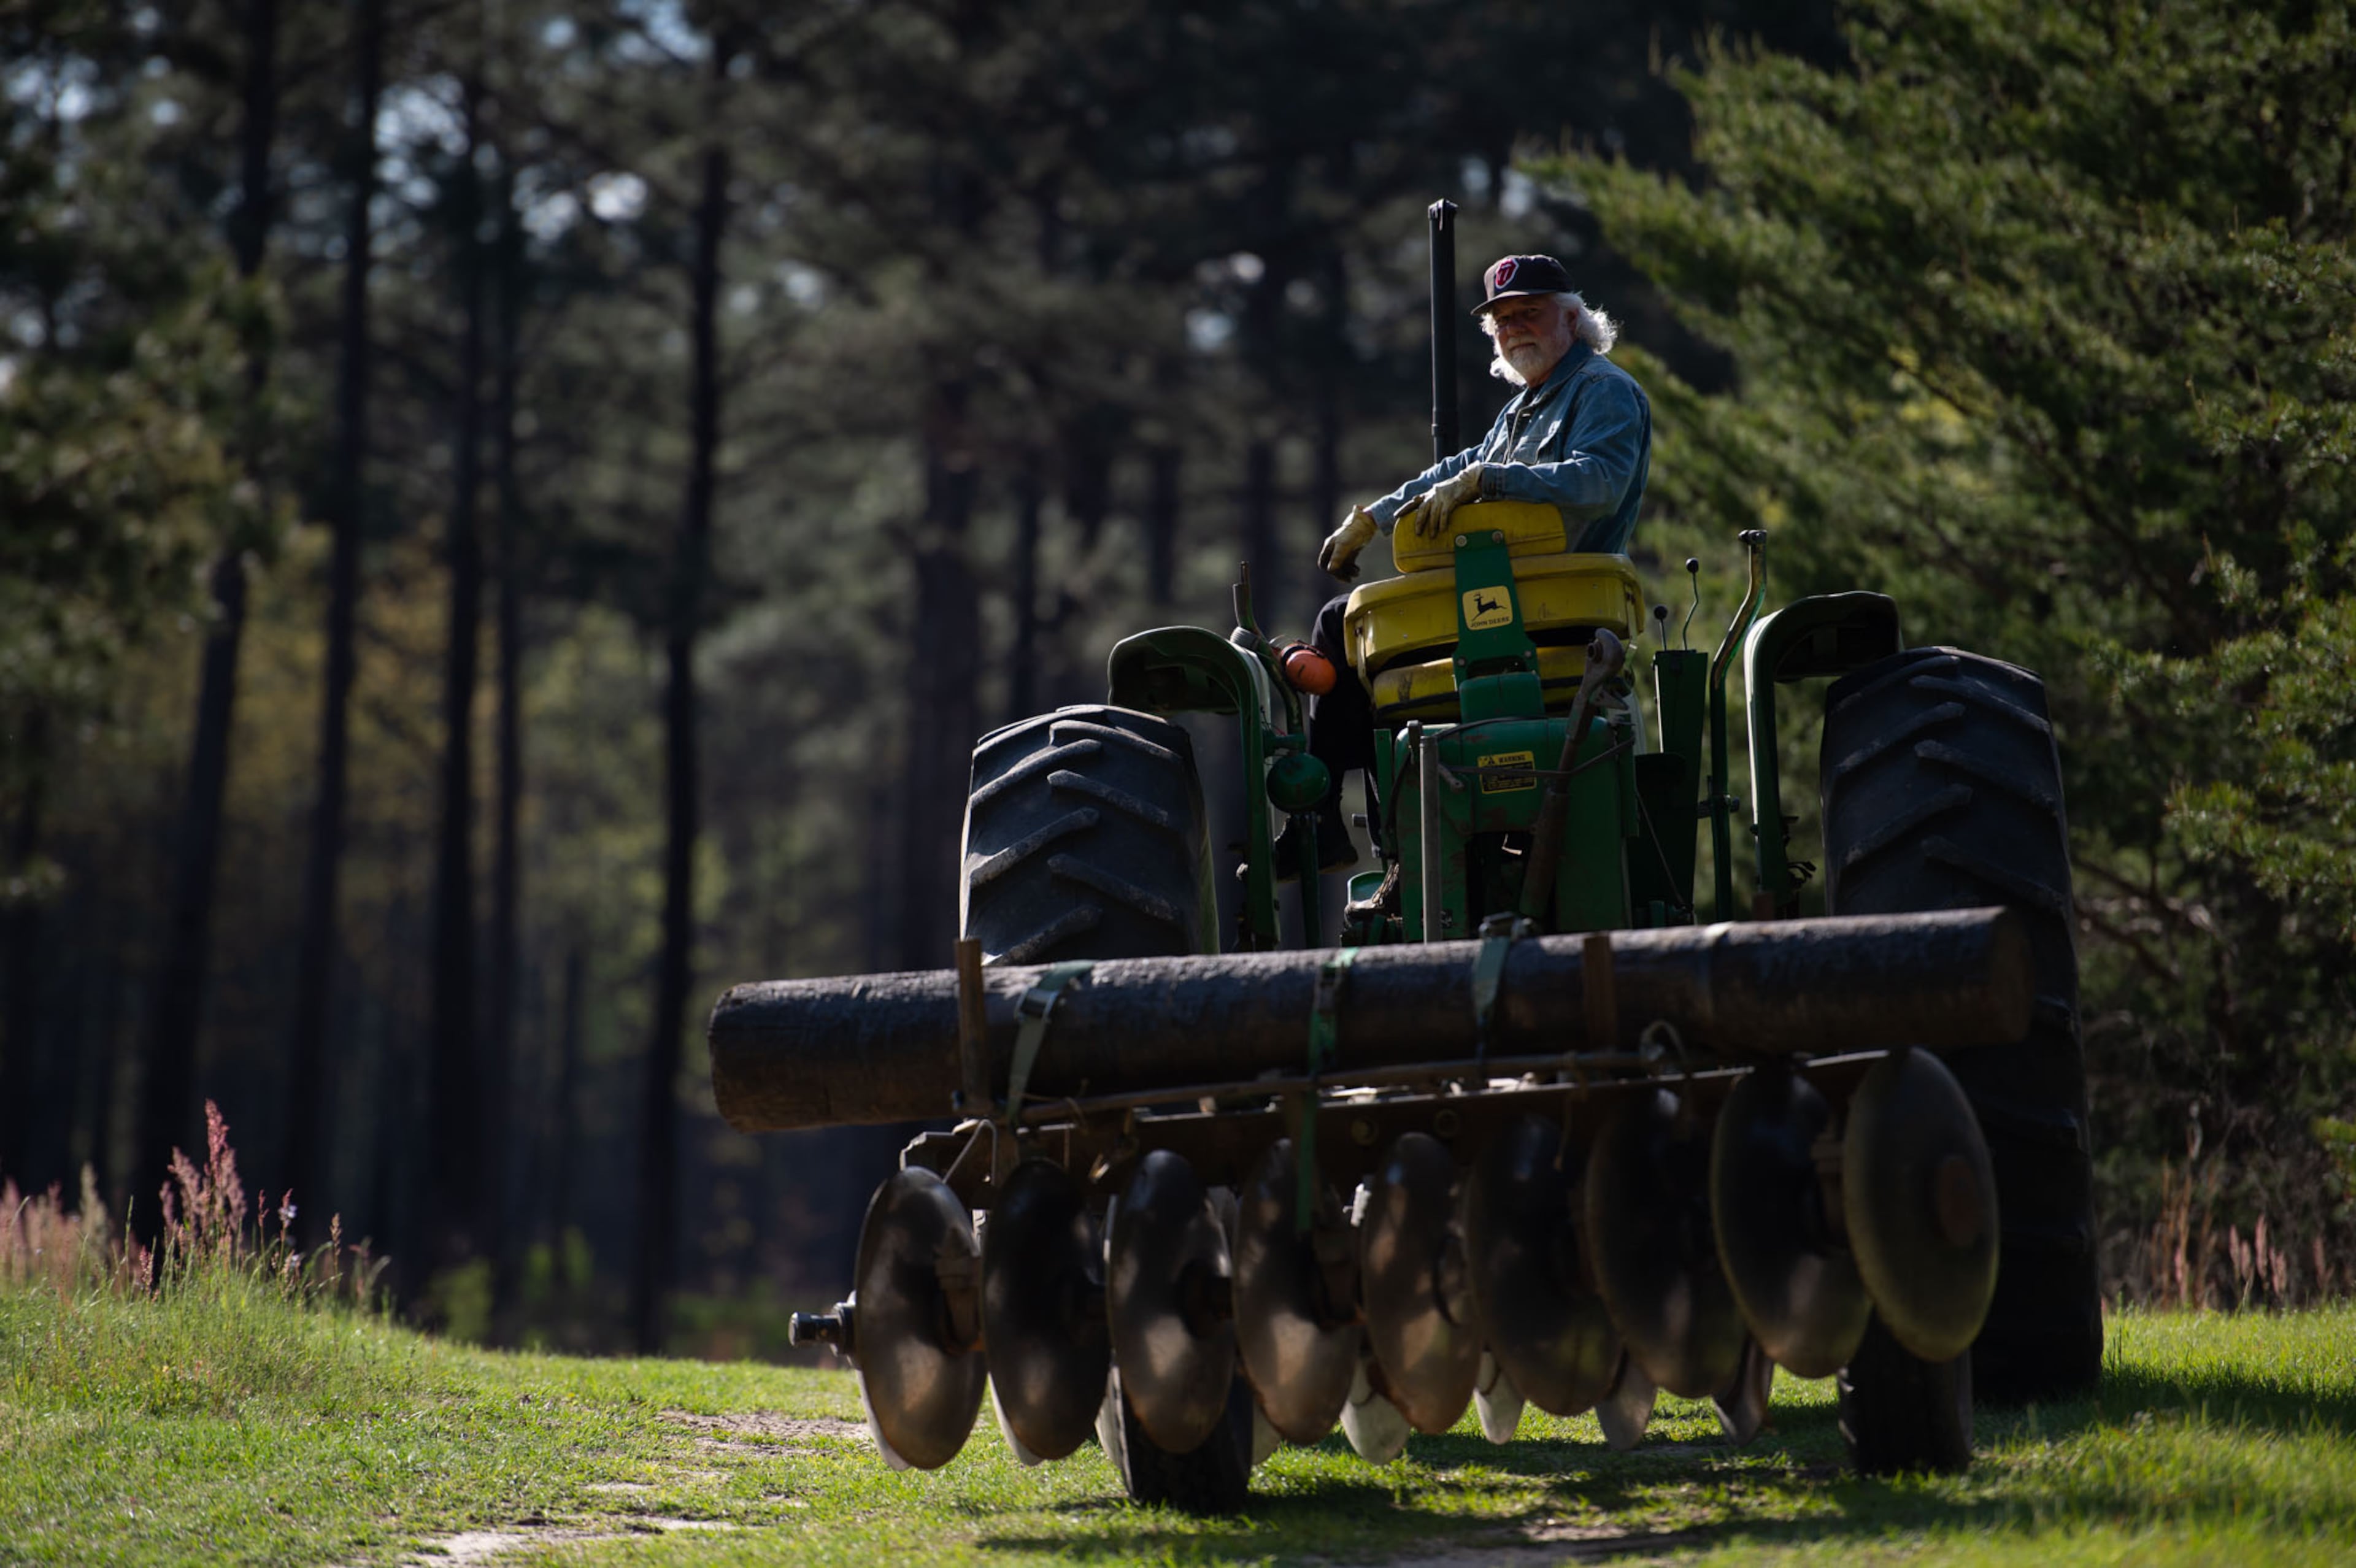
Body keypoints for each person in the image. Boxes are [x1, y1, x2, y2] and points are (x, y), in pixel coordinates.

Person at [1285, 253, 1653, 877]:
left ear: (1572, 319)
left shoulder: (1603, 390)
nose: (1515, 330)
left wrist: (1493, 480)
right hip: (1509, 600)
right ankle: (1386, 843)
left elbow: (1601, 484)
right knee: (1356, 643)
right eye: (1502, 321)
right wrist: (1372, 518)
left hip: (1560, 610)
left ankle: (1324, 823)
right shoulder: (1524, 410)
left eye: (1529, 315)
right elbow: (1448, 474)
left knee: (1340, 626)